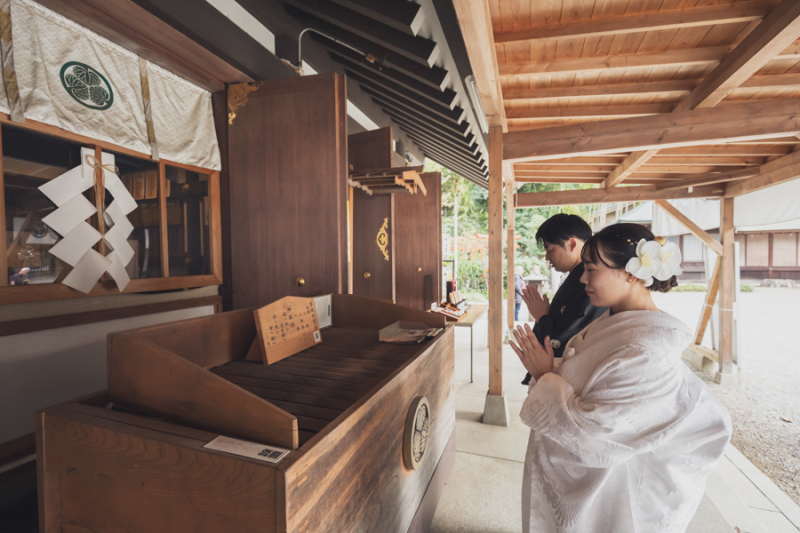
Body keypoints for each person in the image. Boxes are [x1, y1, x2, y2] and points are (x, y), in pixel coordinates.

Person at [510, 223, 732, 533]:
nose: (583, 278)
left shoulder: (649, 350)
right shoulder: (616, 319)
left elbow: (597, 433)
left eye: (590, 269)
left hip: (612, 487)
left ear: (632, 273)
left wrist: (545, 374)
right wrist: (553, 367)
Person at [520, 214, 606, 385]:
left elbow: (566, 339)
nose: (547, 257)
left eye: (549, 249)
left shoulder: (587, 283)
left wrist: (542, 316)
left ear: (572, 244)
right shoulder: (576, 276)